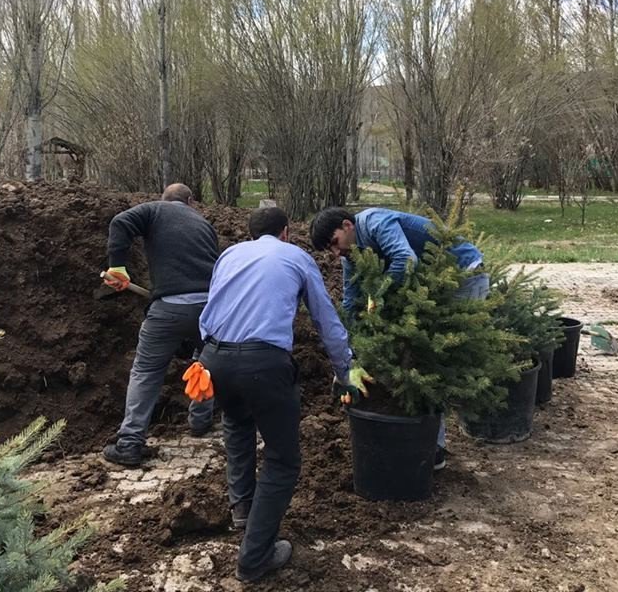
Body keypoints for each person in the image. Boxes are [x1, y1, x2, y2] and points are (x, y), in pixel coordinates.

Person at [198, 207, 368, 583]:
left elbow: (211, 310)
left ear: (250, 233)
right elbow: (326, 320)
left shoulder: (229, 254)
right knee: (282, 459)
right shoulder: (296, 256)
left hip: (214, 356)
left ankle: (243, 511)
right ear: (287, 233)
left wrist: (208, 361)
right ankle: (255, 557)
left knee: (237, 424)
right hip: (264, 363)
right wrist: (346, 371)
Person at [309, 206, 488, 470]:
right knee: (414, 359)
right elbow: (349, 303)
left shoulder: (375, 222)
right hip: (428, 287)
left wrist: (378, 295)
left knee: (432, 360)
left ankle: (434, 448)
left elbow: (406, 259)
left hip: (463, 274)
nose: (336, 253)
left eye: (335, 243)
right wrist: (350, 357)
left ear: (347, 225)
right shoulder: (352, 257)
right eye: (330, 250)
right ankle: (425, 441)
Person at [101, 183, 219, 466]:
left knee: (147, 371)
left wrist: (117, 266)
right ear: (190, 202)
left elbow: (120, 221)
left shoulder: (154, 210)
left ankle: (130, 443)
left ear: (164, 199)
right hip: (210, 309)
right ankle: (200, 422)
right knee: (204, 365)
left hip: (169, 308)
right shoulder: (204, 224)